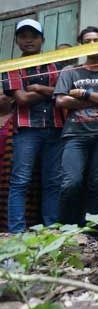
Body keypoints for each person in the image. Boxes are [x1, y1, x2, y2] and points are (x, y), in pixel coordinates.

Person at [55, 26, 98, 226]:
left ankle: (91, 229)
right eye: (88, 41)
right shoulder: (70, 71)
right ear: (80, 46)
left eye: (97, 40)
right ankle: (66, 229)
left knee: (97, 183)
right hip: (75, 133)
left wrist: (85, 95)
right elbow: (61, 101)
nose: (92, 44)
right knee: (71, 182)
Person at [2, 19, 63, 233]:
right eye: (23, 36)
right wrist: (49, 90)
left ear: (42, 39)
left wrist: (36, 87)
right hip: (26, 130)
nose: (28, 40)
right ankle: (16, 233)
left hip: (55, 128)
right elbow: (22, 100)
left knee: (53, 182)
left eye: (33, 36)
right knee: (20, 181)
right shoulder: (10, 67)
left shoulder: (57, 63)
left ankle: (51, 231)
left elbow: (62, 94)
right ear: (17, 41)